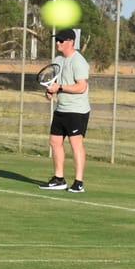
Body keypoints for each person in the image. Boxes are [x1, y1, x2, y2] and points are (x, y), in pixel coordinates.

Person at [39, 27, 91, 193]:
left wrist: (60, 87)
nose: (58, 43)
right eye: (57, 40)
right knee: (54, 142)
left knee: (75, 144)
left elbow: (81, 87)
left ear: (71, 42)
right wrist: (50, 92)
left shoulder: (78, 61)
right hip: (61, 109)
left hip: (77, 110)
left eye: (61, 40)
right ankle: (59, 179)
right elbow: (55, 82)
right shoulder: (58, 60)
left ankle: (78, 183)